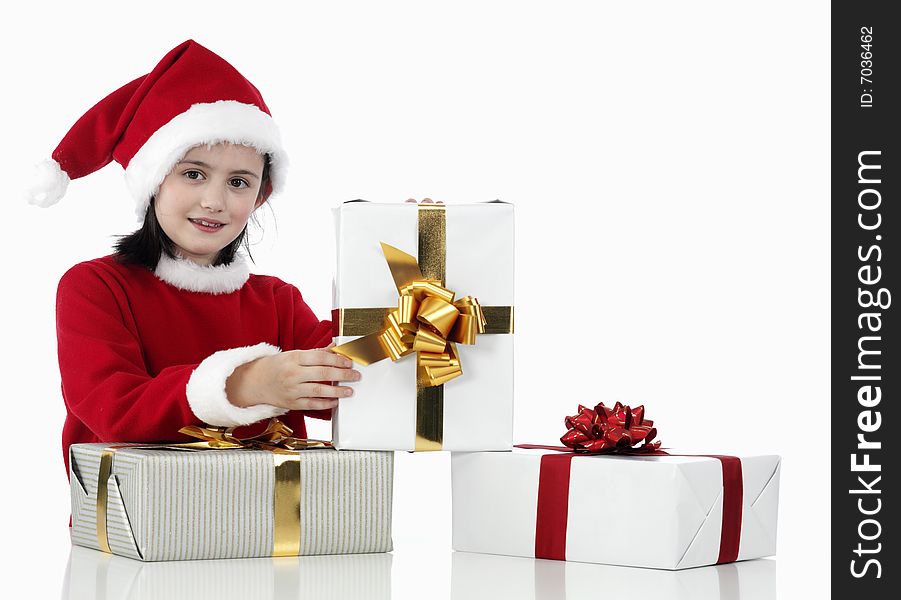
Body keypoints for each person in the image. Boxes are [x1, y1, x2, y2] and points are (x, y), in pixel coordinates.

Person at [25, 39, 359, 480]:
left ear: (259, 197)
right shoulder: (95, 287)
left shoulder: (277, 300)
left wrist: (408, 256)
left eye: (239, 182)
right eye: (194, 173)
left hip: (269, 526)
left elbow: (357, 375)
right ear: (154, 180)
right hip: (138, 538)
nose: (214, 201)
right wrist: (245, 384)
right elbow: (115, 410)